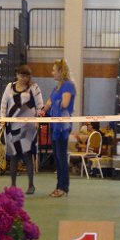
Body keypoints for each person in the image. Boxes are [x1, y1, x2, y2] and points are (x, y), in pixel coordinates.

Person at [0, 64, 43, 195]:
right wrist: (2, 120)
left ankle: (31, 185)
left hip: (29, 128)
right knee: (13, 157)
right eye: (22, 75)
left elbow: (40, 107)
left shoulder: (34, 87)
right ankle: (12, 185)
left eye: (27, 76)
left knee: (28, 157)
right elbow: (3, 104)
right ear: (17, 75)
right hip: (13, 127)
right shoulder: (9, 87)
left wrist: (38, 121)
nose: (24, 78)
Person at [39, 59, 76, 198]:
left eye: (54, 70)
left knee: (61, 157)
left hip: (62, 127)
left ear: (61, 71)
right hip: (54, 126)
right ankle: (59, 187)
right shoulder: (57, 87)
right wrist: (43, 111)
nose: (52, 72)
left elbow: (65, 103)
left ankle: (63, 188)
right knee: (57, 157)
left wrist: (54, 104)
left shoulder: (68, 86)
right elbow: (49, 102)